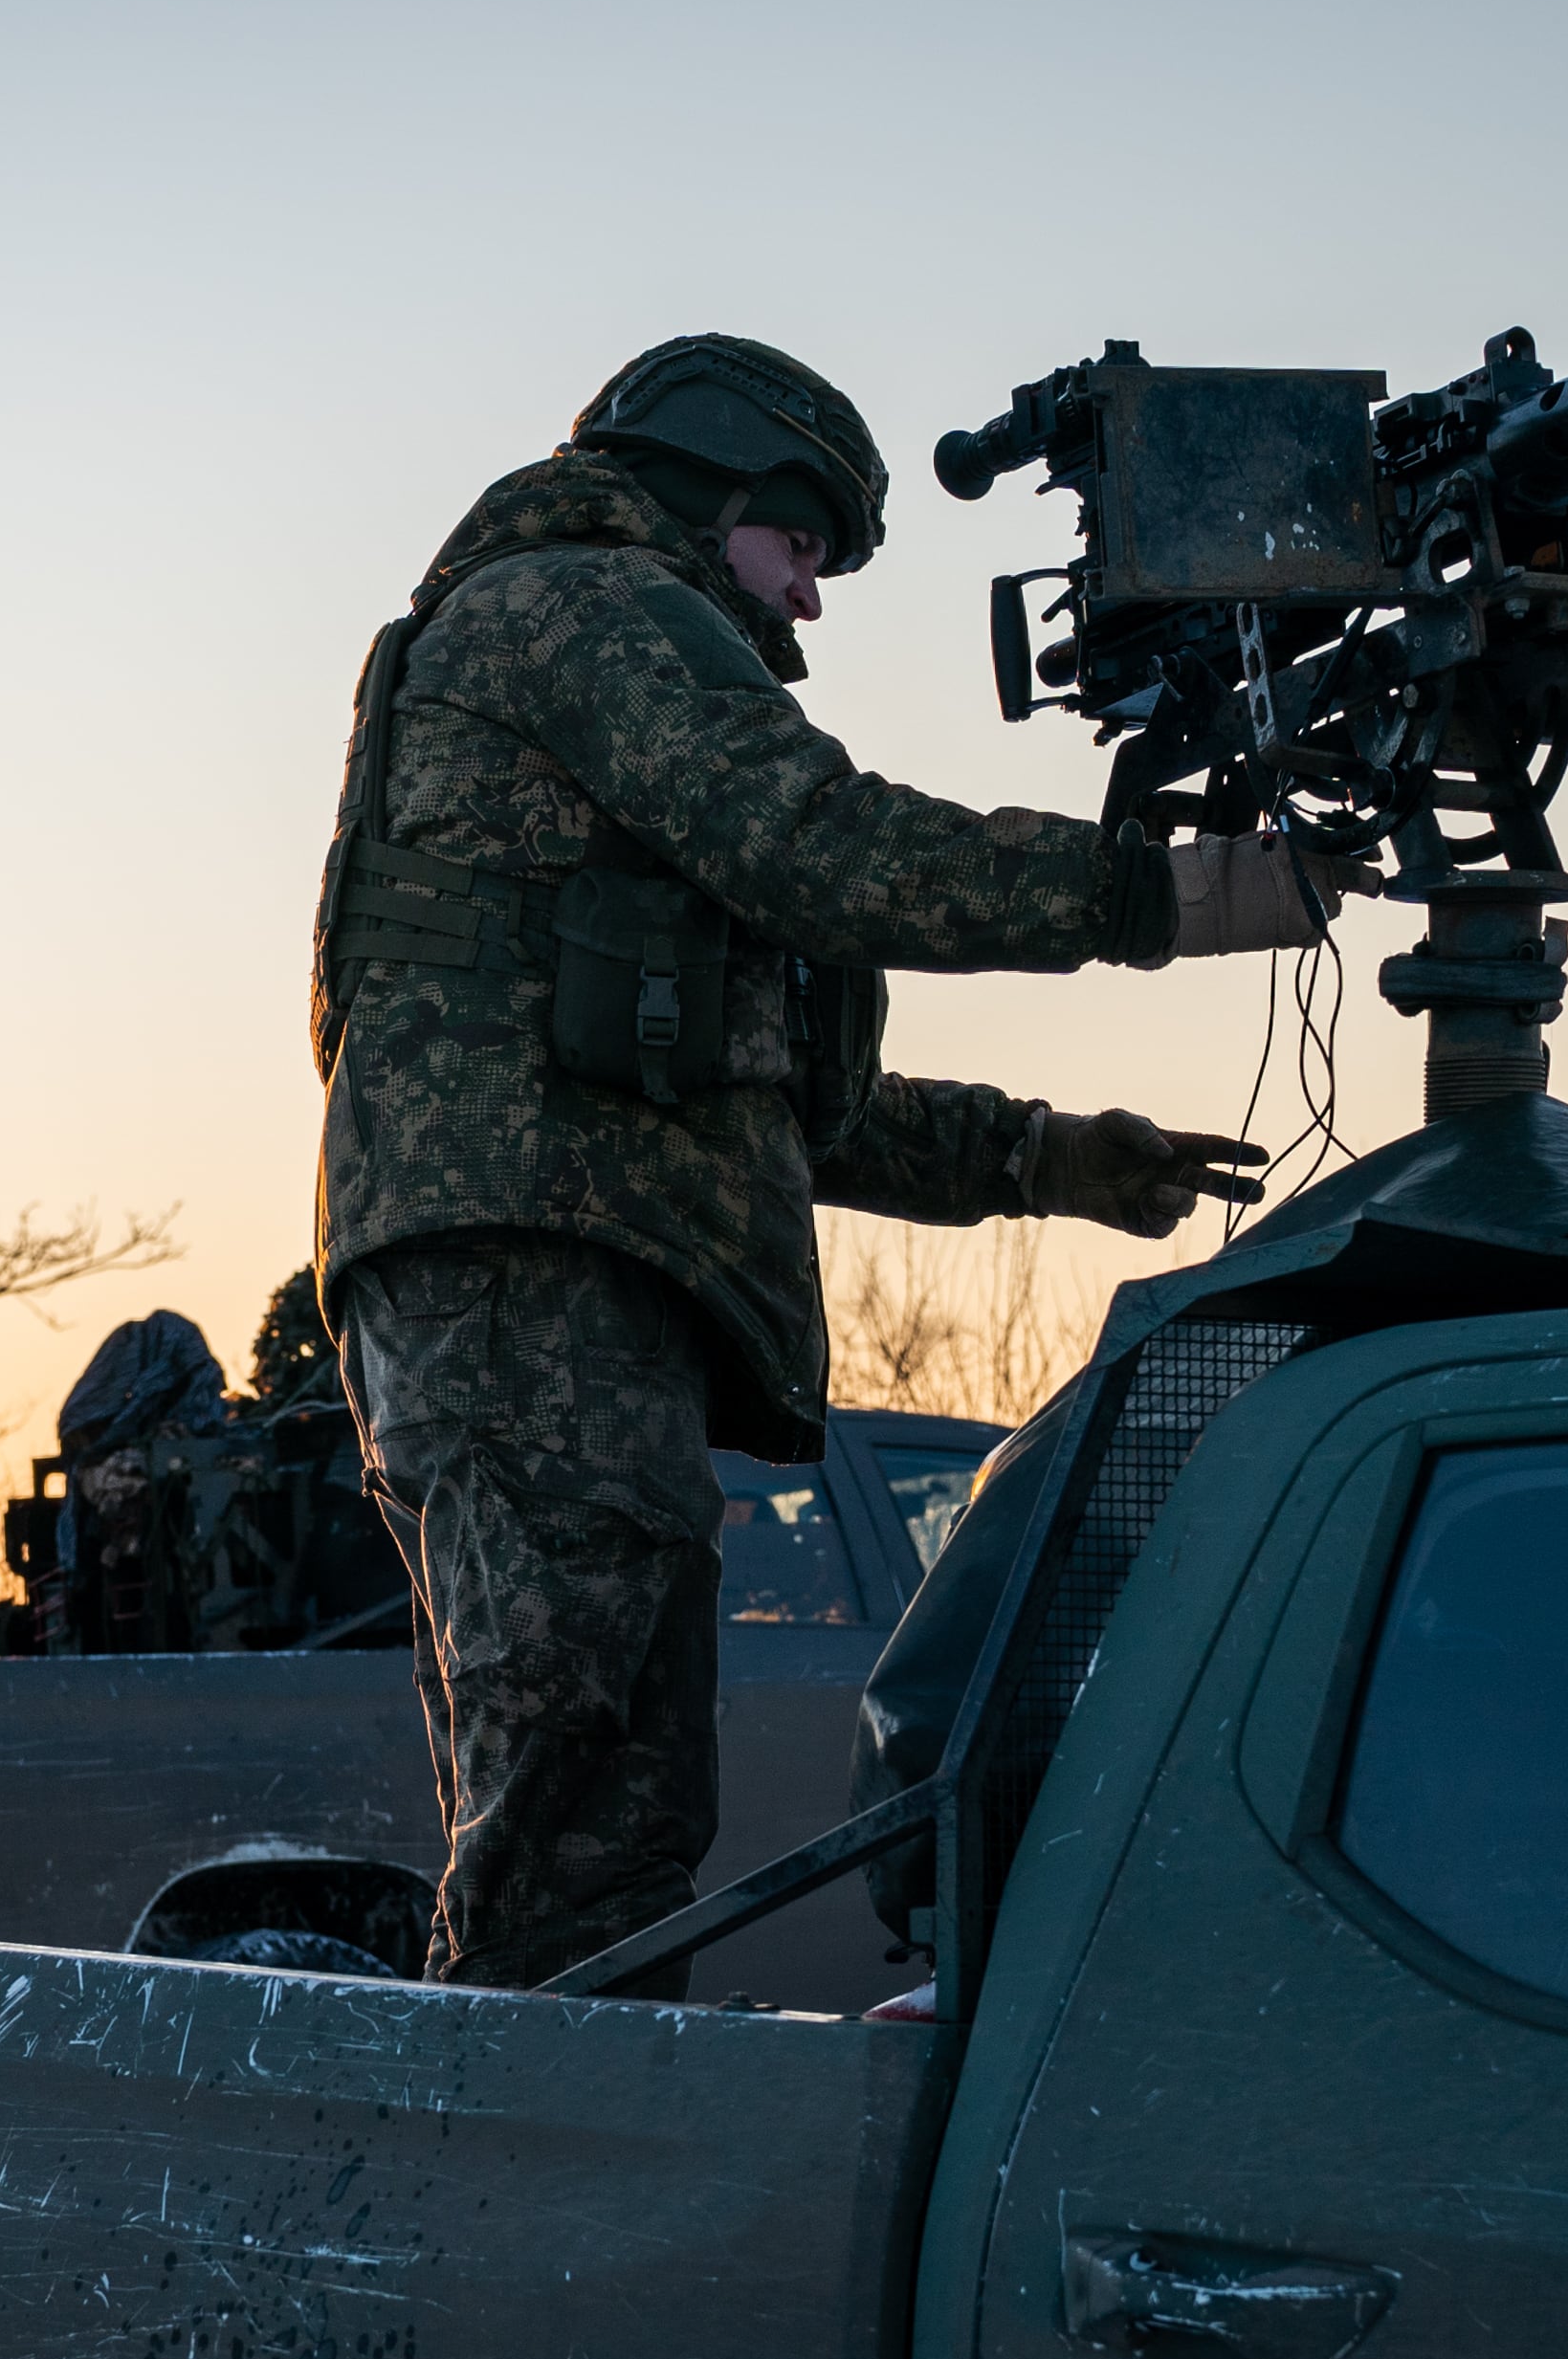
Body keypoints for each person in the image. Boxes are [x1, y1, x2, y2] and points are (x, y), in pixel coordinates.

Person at [310, 334, 1336, 1992]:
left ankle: (564, 2183)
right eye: (806, 550)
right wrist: (1174, 896)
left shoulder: (613, 721)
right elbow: (828, 845)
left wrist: (1057, 1159)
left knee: (615, 1830)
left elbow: (798, 1103)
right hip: (529, 1289)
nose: (809, 602)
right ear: (725, 488)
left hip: (559, 1288)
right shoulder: (579, 605)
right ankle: (526, 2210)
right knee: (573, 1832)